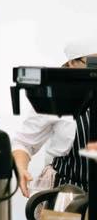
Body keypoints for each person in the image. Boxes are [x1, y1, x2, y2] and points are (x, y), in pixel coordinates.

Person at [13, 39, 97, 196]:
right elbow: (24, 143)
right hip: (67, 196)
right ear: (72, 63)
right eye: (93, 63)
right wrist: (21, 168)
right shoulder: (53, 96)